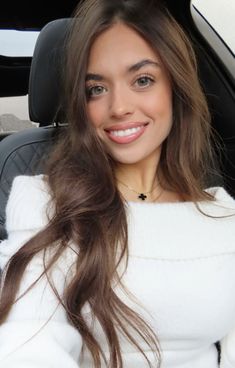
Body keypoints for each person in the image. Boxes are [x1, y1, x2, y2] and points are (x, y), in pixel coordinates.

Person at [0, 0, 235, 367]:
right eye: (96, 88)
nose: (119, 107)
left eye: (142, 80)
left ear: (175, 86)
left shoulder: (224, 214)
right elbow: (26, 338)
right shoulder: (44, 204)